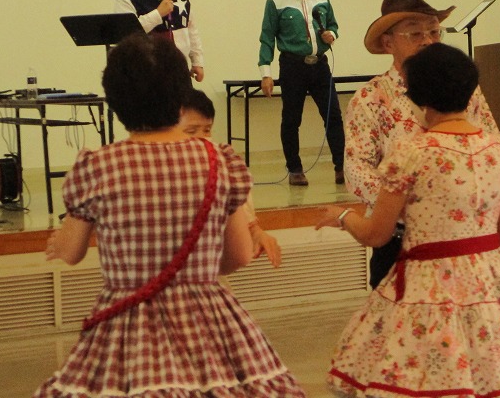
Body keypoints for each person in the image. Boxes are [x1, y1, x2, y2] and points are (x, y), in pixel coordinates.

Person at [317, 43, 500, 398]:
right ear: (470, 91)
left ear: (418, 96)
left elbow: (377, 234)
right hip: (492, 276)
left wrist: (342, 216)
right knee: (494, 377)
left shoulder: (409, 153)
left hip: (425, 287)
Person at [34, 33, 304, 397]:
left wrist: (60, 243)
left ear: (114, 100)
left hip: (128, 328)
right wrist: (197, 269)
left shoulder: (98, 166)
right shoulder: (218, 160)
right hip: (208, 322)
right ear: (181, 98)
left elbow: (72, 252)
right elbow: (239, 255)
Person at [344, 0, 499, 288]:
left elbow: (489, 141)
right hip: (399, 239)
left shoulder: (465, 89)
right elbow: (356, 168)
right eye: (415, 33)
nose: (428, 41)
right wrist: (406, 202)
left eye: (434, 32)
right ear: (388, 43)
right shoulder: (370, 98)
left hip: (464, 235)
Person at [258, 0, 344, 186]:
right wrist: (266, 74)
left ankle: (341, 166)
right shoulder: (276, 1)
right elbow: (267, 38)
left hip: (320, 65)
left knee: (333, 115)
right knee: (291, 119)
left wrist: (331, 34)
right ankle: (295, 169)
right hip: (292, 66)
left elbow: (334, 25)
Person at [181, 88, 282, 268]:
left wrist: (255, 230)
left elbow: (239, 198)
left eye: (207, 130)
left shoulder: (220, 159)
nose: (201, 137)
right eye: (191, 131)